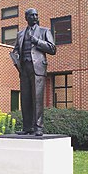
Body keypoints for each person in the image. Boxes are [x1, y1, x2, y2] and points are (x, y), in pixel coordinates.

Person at [11, 8, 56, 136]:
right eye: (32, 15)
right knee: (25, 99)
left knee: (37, 99)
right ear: (26, 18)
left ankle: (38, 128)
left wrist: (37, 41)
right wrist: (15, 58)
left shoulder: (44, 31)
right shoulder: (20, 34)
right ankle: (27, 127)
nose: (35, 17)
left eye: (36, 15)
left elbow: (52, 48)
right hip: (24, 68)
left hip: (37, 68)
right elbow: (16, 49)